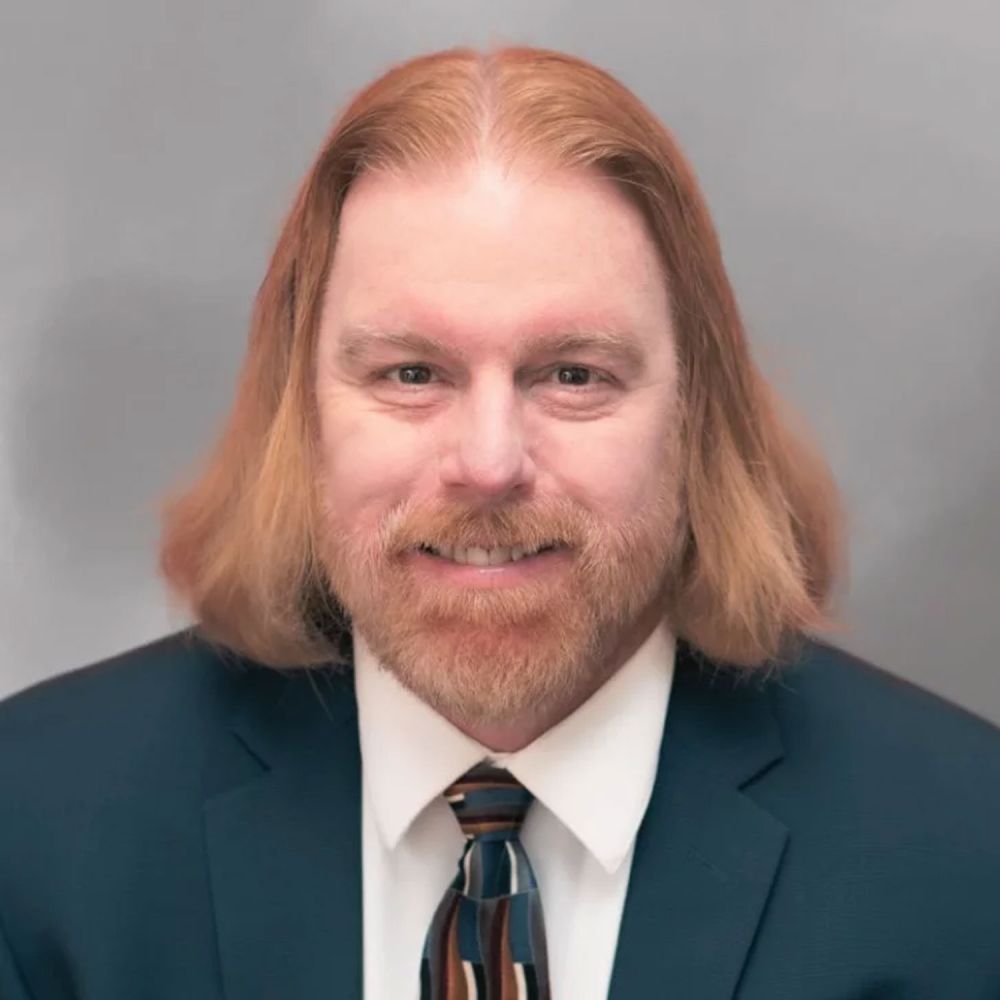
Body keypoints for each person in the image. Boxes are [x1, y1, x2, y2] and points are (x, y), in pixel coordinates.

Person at [0, 44, 998, 1000]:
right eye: (410, 373)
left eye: (572, 374)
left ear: (696, 416)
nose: (487, 464)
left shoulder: (967, 850)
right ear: (296, 414)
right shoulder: (33, 823)